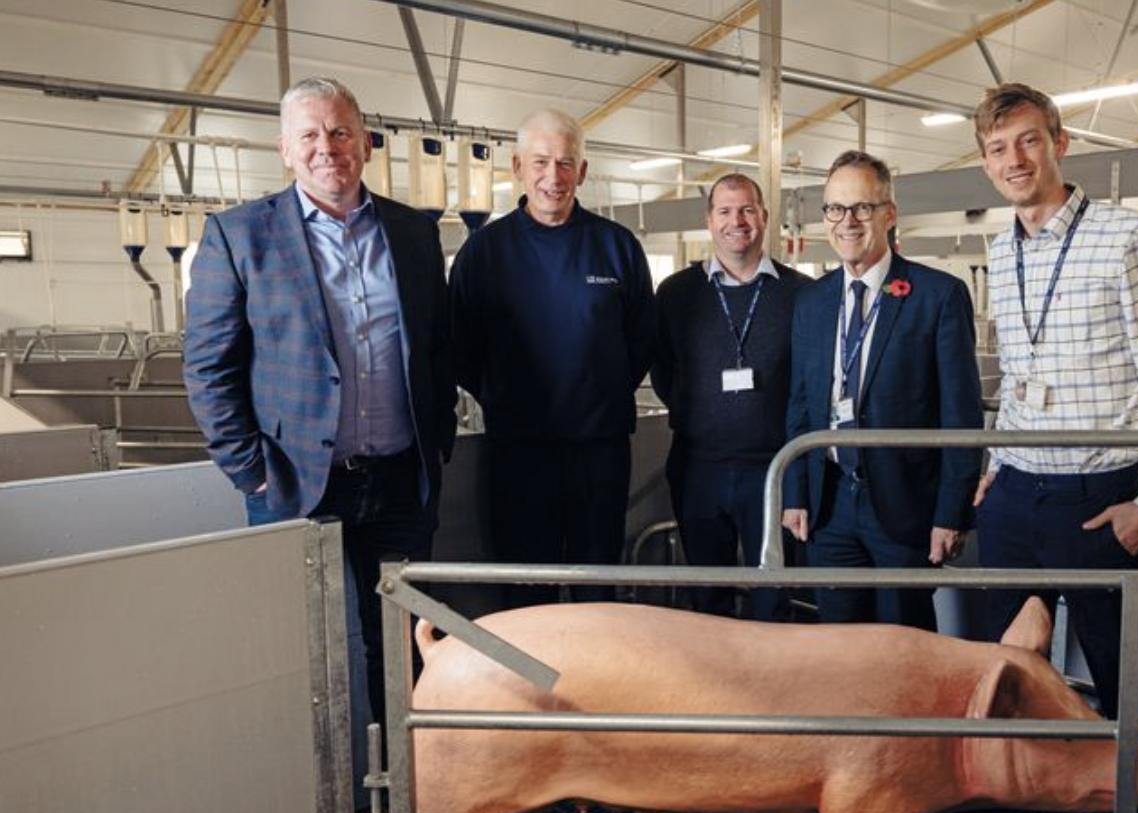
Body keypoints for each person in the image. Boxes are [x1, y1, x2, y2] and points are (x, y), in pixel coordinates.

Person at [184, 76, 456, 729]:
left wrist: (435, 442)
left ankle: (406, 802)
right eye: (309, 134)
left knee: (403, 651)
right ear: (285, 148)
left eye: (339, 131)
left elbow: (439, 346)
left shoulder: (415, 233)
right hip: (294, 487)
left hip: (398, 485)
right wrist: (252, 471)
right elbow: (207, 367)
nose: (326, 147)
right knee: (311, 658)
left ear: (364, 141)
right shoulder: (238, 236)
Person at [971, 82, 1138, 722]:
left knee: (1123, 671)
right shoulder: (1001, 251)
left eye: (1029, 140)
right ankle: (1031, 796)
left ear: (1060, 143)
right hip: (1017, 491)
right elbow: (1020, 376)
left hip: (1099, 492)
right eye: (998, 148)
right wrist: (995, 464)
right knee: (1012, 666)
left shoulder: (1131, 236)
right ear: (985, 162)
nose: (1015, 160)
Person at [450, 108, 656, 608]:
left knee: (597, 580)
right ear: (518, 166)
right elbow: (459, 346)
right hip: (518, 452)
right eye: (541, 162)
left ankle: (594, 686)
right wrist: (507, 398)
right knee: (525, 584)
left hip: (599, 450)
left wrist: (596, 394)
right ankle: (529, 686)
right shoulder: (484, 252)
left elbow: (642, 341)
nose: (553, 176)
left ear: (582, 172)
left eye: (566, 163)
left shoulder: (617, 247)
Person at [781, 150, 983, 630]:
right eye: (835, 208)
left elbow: (961, 413)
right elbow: (801, 404)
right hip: (828, 507)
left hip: (903, 505)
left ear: (889, 214)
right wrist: (796, 492)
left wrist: (951, 513)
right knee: (839, 646)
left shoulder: (937, 295)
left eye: (862, 208)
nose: (846, 222)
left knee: (904, 644)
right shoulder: (812, 301)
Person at [651, 173, 810, 619]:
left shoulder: (800, 294)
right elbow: (662, 366)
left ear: (763, 216)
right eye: (724, 211)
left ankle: (773, 684)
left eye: (746, 210)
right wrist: (693, 406)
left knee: (774, 596)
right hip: (698, 466)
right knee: (707, 596)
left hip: (774, 471)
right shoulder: (676, 293)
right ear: (709, 220)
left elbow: (809, 381)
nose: (735, 221)